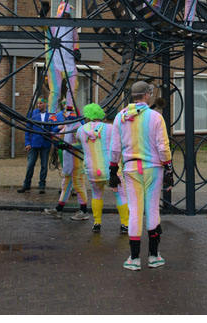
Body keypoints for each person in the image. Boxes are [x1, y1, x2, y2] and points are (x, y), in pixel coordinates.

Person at [110, 81, 173, 271]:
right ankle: (154, 256)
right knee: (152, 209)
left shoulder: (120, 117)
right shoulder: (155, 117)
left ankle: (134, 258)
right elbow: (163, 146)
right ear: (146, 95)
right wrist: (169, 169)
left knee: (135, 211)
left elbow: (114, 148)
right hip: (153, 169)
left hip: (130, 169)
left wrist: (113, 171)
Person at [74, 103, 130, 234]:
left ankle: (97, 223)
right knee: (120, 194)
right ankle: (125, 224)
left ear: (87, 115)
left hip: (92, 170)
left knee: (97, 194)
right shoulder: (109, 128)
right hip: (110, 170)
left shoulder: (81, 130)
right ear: (100, 114)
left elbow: (79, 144)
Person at [43, 106, 89, 220]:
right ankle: (59, 209)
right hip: (68, 162)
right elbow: (60, 136)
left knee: (78, 185)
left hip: (76, 163)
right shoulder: (68, 125)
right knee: (65, 185)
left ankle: (84, 210)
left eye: (65, 113)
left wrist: (68, 145)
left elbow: (82, 144)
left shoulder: (78, 126)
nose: (63, 115)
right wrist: (48, 134)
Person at [46, 2, 80, 113]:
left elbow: (75, 38)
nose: (65, 17)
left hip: (69, 61)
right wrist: (42, 15)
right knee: (55, 90)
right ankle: (52, 113)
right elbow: (42, 26)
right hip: (55, 61)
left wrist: (76, 49)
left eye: (67, 15)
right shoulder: (52, 25)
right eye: (63, 15)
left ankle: (70, 110)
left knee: (73, 86)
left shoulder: (72, 27)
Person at [18, 98, 54, 194]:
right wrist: (27, 143)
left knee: (44, 165)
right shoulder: (32, 113)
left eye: (41, 103)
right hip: (34, 143)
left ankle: (42, 185)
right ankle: (26, 184)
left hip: (45, 143)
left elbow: (53, 128)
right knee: (30, 165)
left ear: (45, 104)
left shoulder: (50, 115)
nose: (39, 105)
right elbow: (28, 129)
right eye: (38, 103)